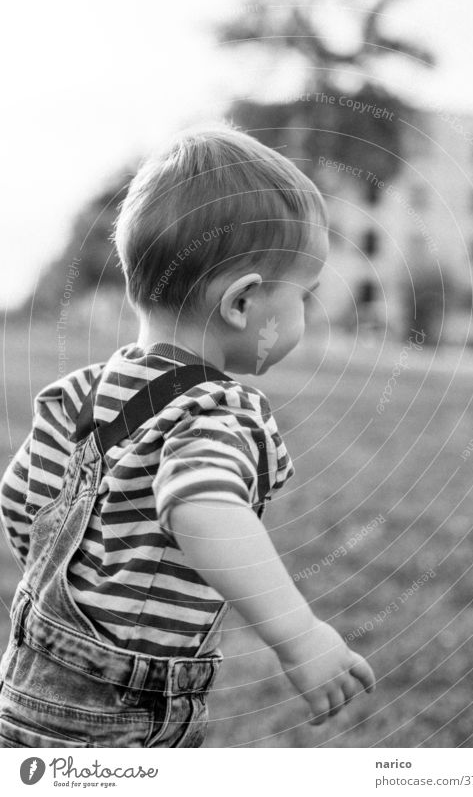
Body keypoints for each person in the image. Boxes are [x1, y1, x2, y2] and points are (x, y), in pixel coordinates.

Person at [0, 123, 375, 748]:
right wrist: (299, 634)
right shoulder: (214, 408)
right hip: (120, 714)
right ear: (243, 304)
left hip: (26, 686)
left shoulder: (79, 393)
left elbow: (19, 501)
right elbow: (202, 510)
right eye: (303, 296)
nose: (308, 314)